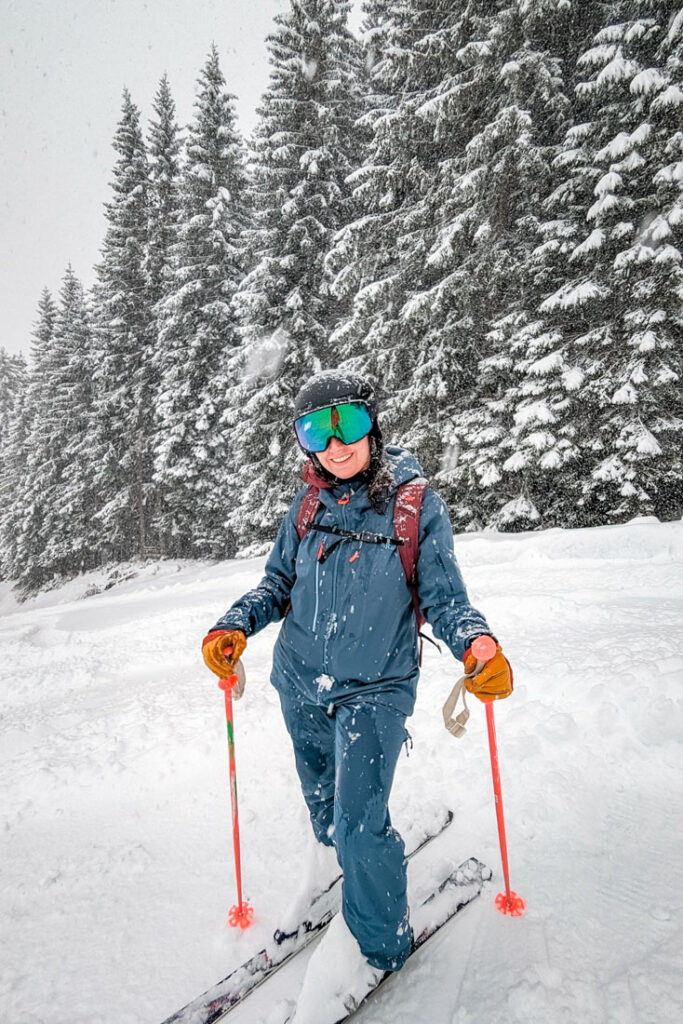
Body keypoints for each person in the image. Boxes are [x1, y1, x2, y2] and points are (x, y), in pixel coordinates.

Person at [201, 370, 513, 1016]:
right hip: (300, 677)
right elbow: (275, 583)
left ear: (373, 424)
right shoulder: (306, 504)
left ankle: (377, 944)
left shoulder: (414, 504)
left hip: (375, 687)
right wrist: (234, 623)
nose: (335, 443)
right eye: (316, 429)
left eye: (348, 423)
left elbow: (444, 597)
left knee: (360, 824)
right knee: (322, 802)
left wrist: (475, 644)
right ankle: (333, 869)